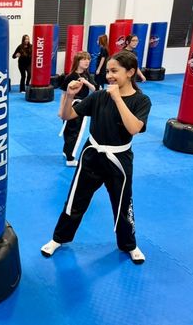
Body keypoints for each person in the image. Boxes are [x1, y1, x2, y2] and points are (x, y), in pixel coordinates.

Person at [41, 51, 151, 265]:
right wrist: (70, 96)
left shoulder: (141, 100)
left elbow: (134, 128)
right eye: (108, 71)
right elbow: (66, 116)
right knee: (75, 200)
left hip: (119, 159)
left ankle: (129, 244)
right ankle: (58, 239)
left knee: (122, 204)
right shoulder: (99, 96)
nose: (109, 75)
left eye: (114, 71)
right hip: (92, 155)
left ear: (130, 72)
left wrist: (118, 98)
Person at [59, 51, 96, 167]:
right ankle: (70, 158)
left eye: (88, 59)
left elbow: (94, 89)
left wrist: (86, 82)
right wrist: (61, 109)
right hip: (72, 105)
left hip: (82, 106)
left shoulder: (87, 75)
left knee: (71, 130)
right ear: (77, 61)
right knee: (72, 132)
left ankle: (66, 152)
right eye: (84, 59)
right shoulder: (70, 76)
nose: (87, 61)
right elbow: (64, 94)